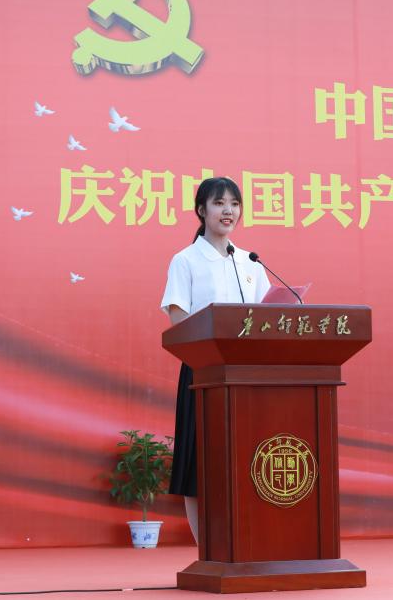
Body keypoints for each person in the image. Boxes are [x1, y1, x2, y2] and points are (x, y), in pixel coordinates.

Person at [160, 177, 271, 542]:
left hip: (246, 376)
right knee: (199, 465)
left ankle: (245, 541)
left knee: (246, 460)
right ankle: (207, 547)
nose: (228, 211)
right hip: (202, 373)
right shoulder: (186, 260)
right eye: (220, 203)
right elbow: (178, 318)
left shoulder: (250, 263)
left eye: (234, 204)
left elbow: (269, 317)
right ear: (201, 210)